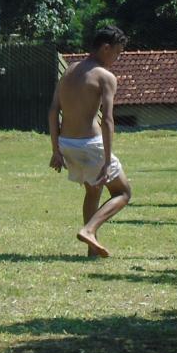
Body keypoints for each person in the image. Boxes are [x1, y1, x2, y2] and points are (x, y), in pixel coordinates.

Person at [48, 24, 132, 257]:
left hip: (67, 144)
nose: (117, 58)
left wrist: (56, 149)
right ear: (105, 48)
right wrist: (108, 159)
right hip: (91, 144)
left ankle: (92, 250)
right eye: (117, 52)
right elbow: (108, 120)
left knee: (93, 191)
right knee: (123, 193)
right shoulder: (105, 77)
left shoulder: (69, 70)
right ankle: (89, 229)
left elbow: (53, 111)